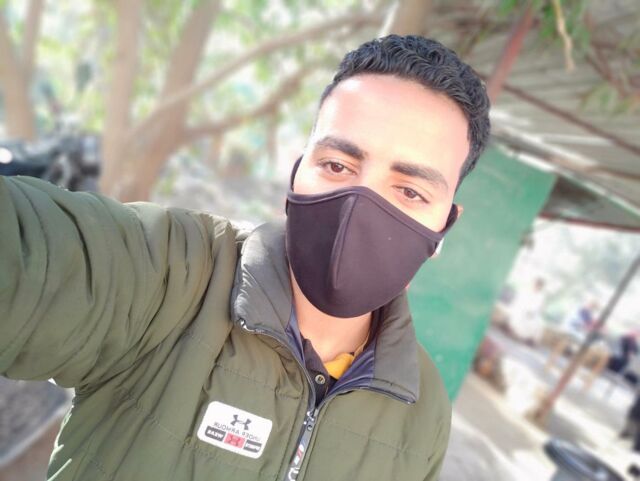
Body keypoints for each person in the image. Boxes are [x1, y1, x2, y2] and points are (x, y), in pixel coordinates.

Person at [0, 35, 490, 481]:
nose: (360, 207)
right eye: (337, 165)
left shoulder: (424, 414)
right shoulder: (168, 276)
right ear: (296, 176)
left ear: (444, 227)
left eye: (410, 191)